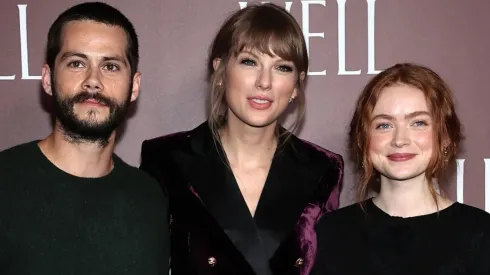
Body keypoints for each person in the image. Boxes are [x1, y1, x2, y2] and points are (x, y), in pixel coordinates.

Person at [139, 3, 343, 275]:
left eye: (282, 67)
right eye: (249, 62)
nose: (264, 82)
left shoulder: (324, 168)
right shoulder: (166, 159)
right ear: (221, 70)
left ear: (297, 84)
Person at [0, 2, 169, 274]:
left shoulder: (149, 198)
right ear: (47, 78)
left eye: (111, 66)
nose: (93, 81)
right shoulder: (4, 182)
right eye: (76, 63)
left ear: (134, 86)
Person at [311, 63, 490, 275]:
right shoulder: (332, 232)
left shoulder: (480, 233)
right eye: (384, 125)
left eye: (418, 123)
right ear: (362, 140)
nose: (400, 140)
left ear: (445, 138)